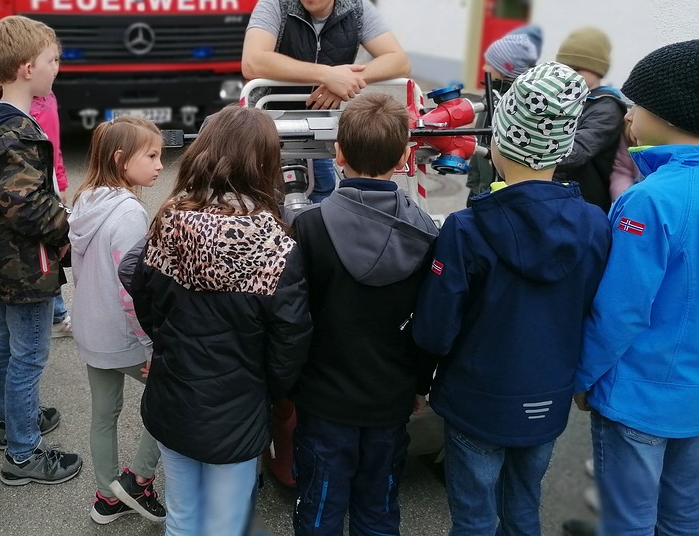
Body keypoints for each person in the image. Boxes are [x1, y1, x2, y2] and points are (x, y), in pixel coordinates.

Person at [413, 62, 611, 536]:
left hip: (477, 400)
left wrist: (421, 375)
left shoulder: (468, 227)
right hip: (548, 397)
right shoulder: (594, 224)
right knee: (524, 508)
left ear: (499, 139)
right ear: (562, 145)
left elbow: (436, 328)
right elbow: (594, 310)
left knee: (475, 516)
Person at [125, 105, 312, 536]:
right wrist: (274, 391)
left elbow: (145, 296)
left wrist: (168, 345)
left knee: (183, 515)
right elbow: (290, 340)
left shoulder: (168, 220)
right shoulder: (275, 245)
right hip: (239, 407)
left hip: (173, 396)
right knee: (227, 523)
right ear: (265, 162)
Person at [291, 93, 439, 536]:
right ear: (402, 157)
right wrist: (419, 384)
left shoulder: (308, 227)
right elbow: (428, 322)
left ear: (336, 153)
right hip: (391, 399)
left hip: (321, 399)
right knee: (379, 509)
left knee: (318, 509)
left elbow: (294, 320)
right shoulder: (428, 233)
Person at [573, 39, 699, 536]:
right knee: (684, 515)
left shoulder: (648, 202)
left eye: (636, 105)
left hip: (639, 398)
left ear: (666, 116)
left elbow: (621, 310)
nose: (628, 117)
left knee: (628, 519)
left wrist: (584, 377)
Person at [0, 15, 82, 485]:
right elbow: (26, 206)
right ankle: (23, 456)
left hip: (1, 260)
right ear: (28, 68)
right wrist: (69, 229)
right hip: (26, 264)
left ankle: (10, 423)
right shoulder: (16, 134)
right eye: (53, 60)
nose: (57, 68)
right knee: (29, 356)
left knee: (7, 343)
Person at [241, 0, 410, 201]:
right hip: (270, 126)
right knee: (267, 199)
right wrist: (328, 75)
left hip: (322, 123)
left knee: (323, 193)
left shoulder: (356, 8)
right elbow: (252, 61)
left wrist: (346, 80)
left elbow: (399, 61)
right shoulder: (275, 2)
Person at [69, 116, 167, 525]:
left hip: (92, 328)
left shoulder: (86, 200)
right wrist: (150, 345)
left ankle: (107, 495)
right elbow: (133, 291)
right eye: (152, 155)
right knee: (174, 396)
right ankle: (138, 481)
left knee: (103, 413)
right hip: (124, 334)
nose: (161, 165)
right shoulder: (128, 214)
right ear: (121, 160)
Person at [466, 24, 544, 202]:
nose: (484, 68)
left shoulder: (511, 102)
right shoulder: (492, 93)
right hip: (481, 184)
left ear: (507, 67)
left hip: (495, 190)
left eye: (490, 64)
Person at [554, 27, 628, 210]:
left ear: (598, 70)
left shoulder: (607, 108)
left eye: (576, 69)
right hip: (558, 196)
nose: (569, 75)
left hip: (585, 204)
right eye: (564, 68)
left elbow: (577, 151)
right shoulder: (563, 98)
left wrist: (528, 152)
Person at [30, 90, 73, 338]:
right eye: (51, 61)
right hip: (40, 189)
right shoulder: (29, 105)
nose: (56, 67)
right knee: (47, 253)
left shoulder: (49, 98)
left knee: (54, 253)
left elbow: (54, 146)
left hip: (52, 186)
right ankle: (56, 316)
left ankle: (57, 314)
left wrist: (61, 180)